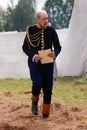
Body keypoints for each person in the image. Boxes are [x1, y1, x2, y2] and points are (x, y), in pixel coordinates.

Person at [22, 10, 61, 118]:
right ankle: (34, 102)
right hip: (35, 63)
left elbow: (58, 47)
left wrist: (55, 53)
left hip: (48, 64)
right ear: (38, 19)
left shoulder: (52, 31)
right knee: (37, 84)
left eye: (47, 18)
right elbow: (25, 47)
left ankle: (45, 113)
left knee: (48, 89)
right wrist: (33, 55)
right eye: (44, 19)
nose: (46, 21)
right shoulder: (31, 30)